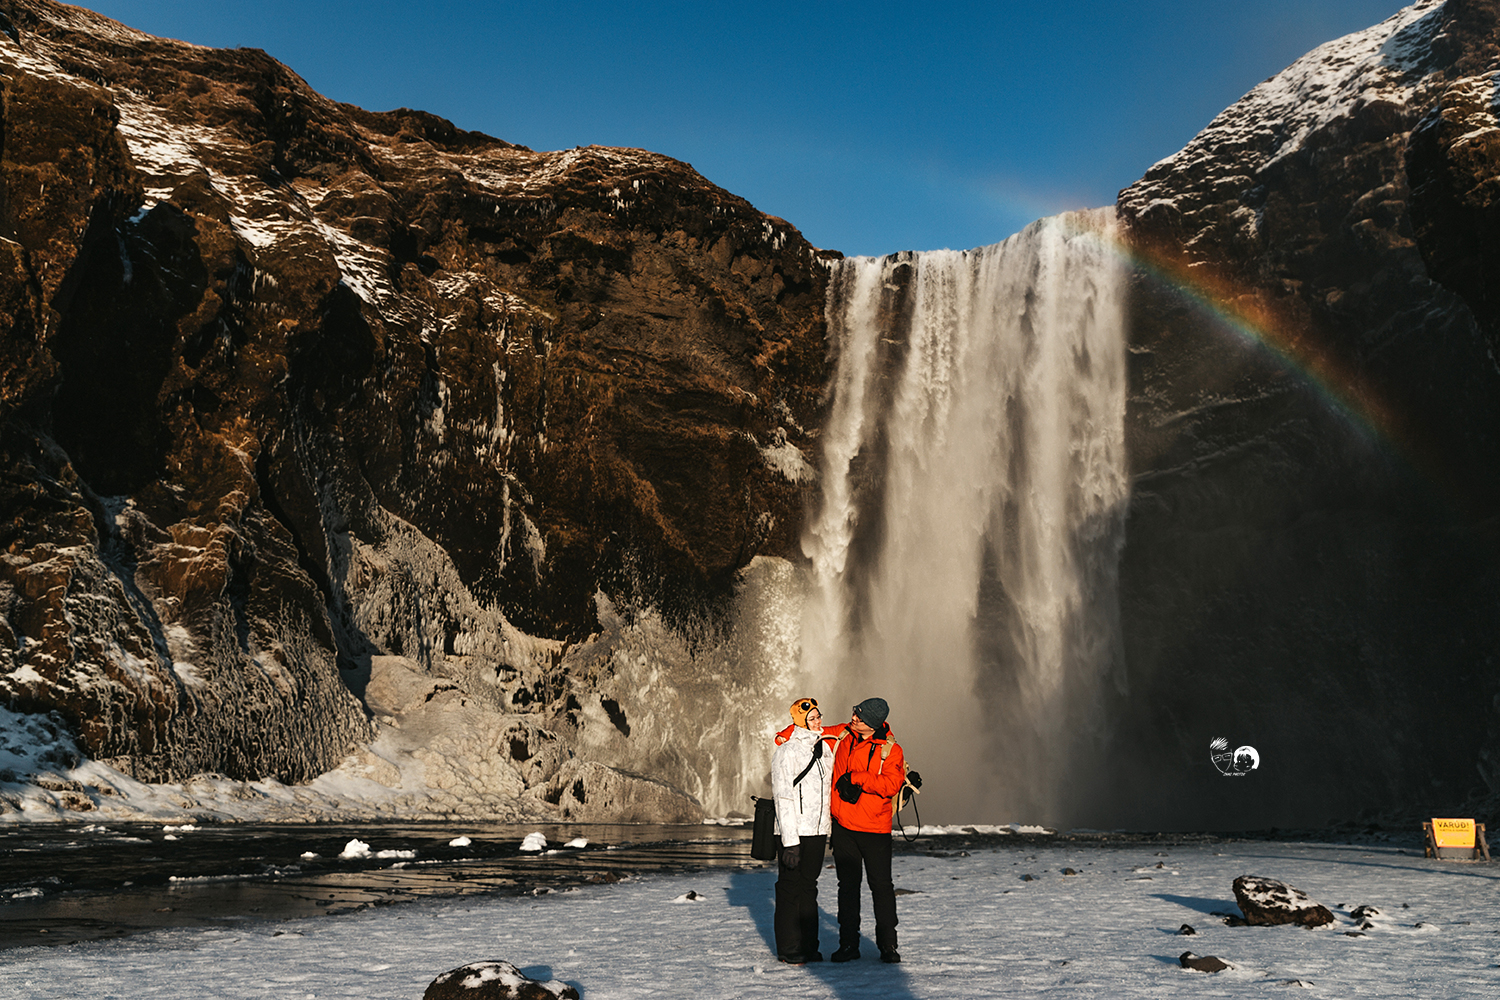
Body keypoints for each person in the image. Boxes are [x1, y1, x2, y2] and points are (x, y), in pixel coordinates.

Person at [829, 697, 906, 963]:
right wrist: (783, 736)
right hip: (844, 827)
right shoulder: (843, 734)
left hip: (875, 829)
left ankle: (888, 945)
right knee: (847, 888)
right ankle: (848, 945)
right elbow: (809, 731)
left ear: (872, 724)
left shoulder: (890, 750)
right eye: (854, 712)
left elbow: (891, 784)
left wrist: (856, 777)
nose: (854, 718)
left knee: (881, 887)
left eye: (859, 717)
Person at [770, 696, 835, 964]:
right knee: (789, 889)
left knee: (809, 888)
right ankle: (789, 947)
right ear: (799, 720)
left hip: (817, 831)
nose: (817, 721)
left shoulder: (825, 749)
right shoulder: (787, 752)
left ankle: (809, 945)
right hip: (794, 833)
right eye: (811, 718)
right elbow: (782, 797)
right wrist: (790, 842)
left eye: (818, 716)